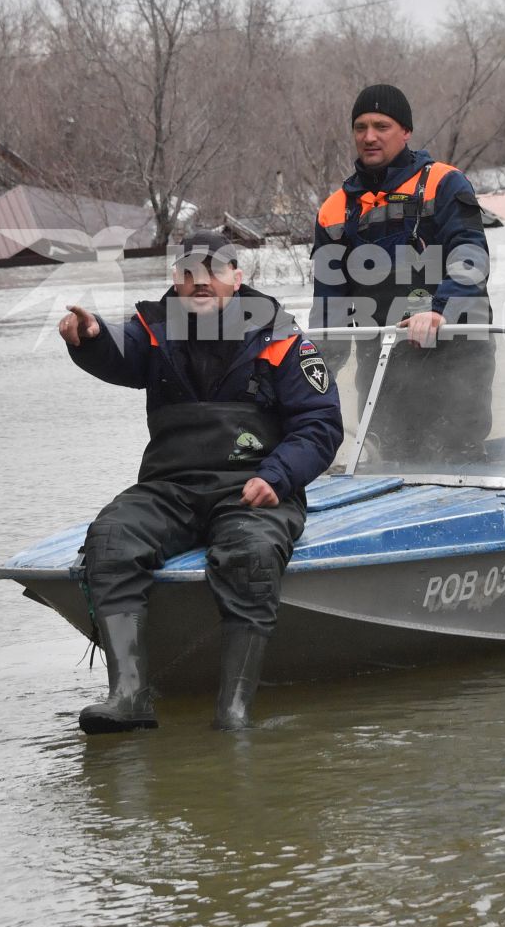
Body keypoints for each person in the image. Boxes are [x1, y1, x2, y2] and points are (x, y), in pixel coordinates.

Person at [58, 231, 344, 734]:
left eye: (214, 270)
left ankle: (232, 712)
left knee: (250, 555)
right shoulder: (154, 329)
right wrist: (90, 337)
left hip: (255, 488)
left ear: (237, 277)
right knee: (110, 540)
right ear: (176, 279)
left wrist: (277, 477)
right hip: (170, 487)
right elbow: (118, 355)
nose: (200, 282)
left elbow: (320, 425)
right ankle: (129, 697)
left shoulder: (283, 339)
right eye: (189, 272)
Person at [310, 84, 493, 467]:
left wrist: (440, 309)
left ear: (406, 131)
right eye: (360, 127)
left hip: (453, 350)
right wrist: (312, 373)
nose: (369, 137)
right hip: (382, 361)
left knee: (456, 458)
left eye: (381, 125)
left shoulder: (444, 183)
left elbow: (470, 254)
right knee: (382, 457)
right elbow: (330, 307)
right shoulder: (334, 210)